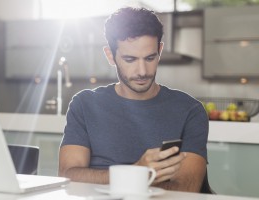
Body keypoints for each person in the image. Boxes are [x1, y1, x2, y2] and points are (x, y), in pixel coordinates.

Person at [58, 7, 208, 192]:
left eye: (150, 58)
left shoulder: (189, 110)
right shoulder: (84, 105)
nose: (142, 71)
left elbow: (187, 189)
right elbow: (68, 175)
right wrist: (136, 172)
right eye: (130, 59)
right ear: (110, 56)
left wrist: (115, 178)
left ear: (160, 50)